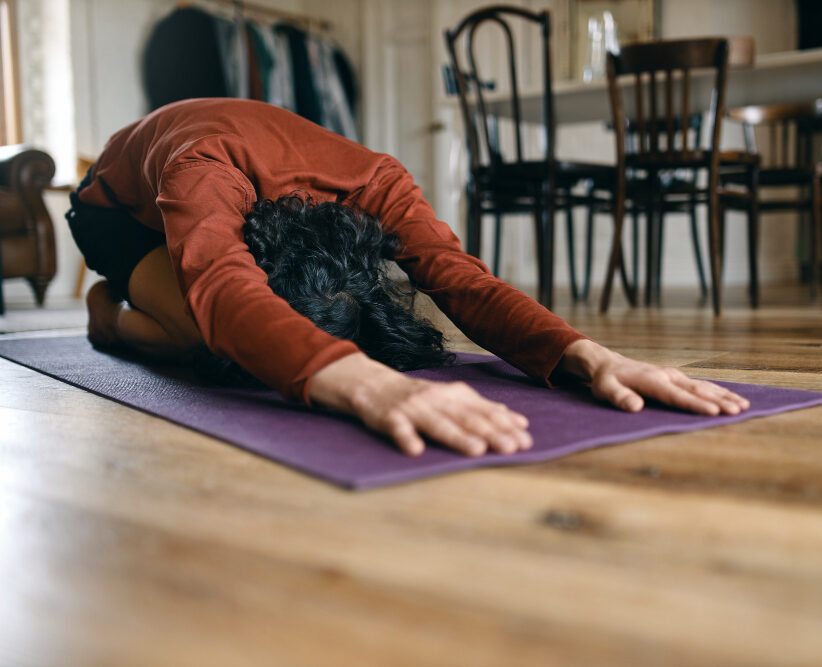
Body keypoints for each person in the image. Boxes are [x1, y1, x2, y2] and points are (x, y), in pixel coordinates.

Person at [67, 98, 749, 458]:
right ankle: (109, 313)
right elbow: (223, 285)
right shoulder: (202, 173)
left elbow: (462, 280)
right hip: (118, 217)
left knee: (250, 341)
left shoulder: (376, 181)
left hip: (214, 198)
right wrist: (365, 380)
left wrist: (587, 354)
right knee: (209, 338)